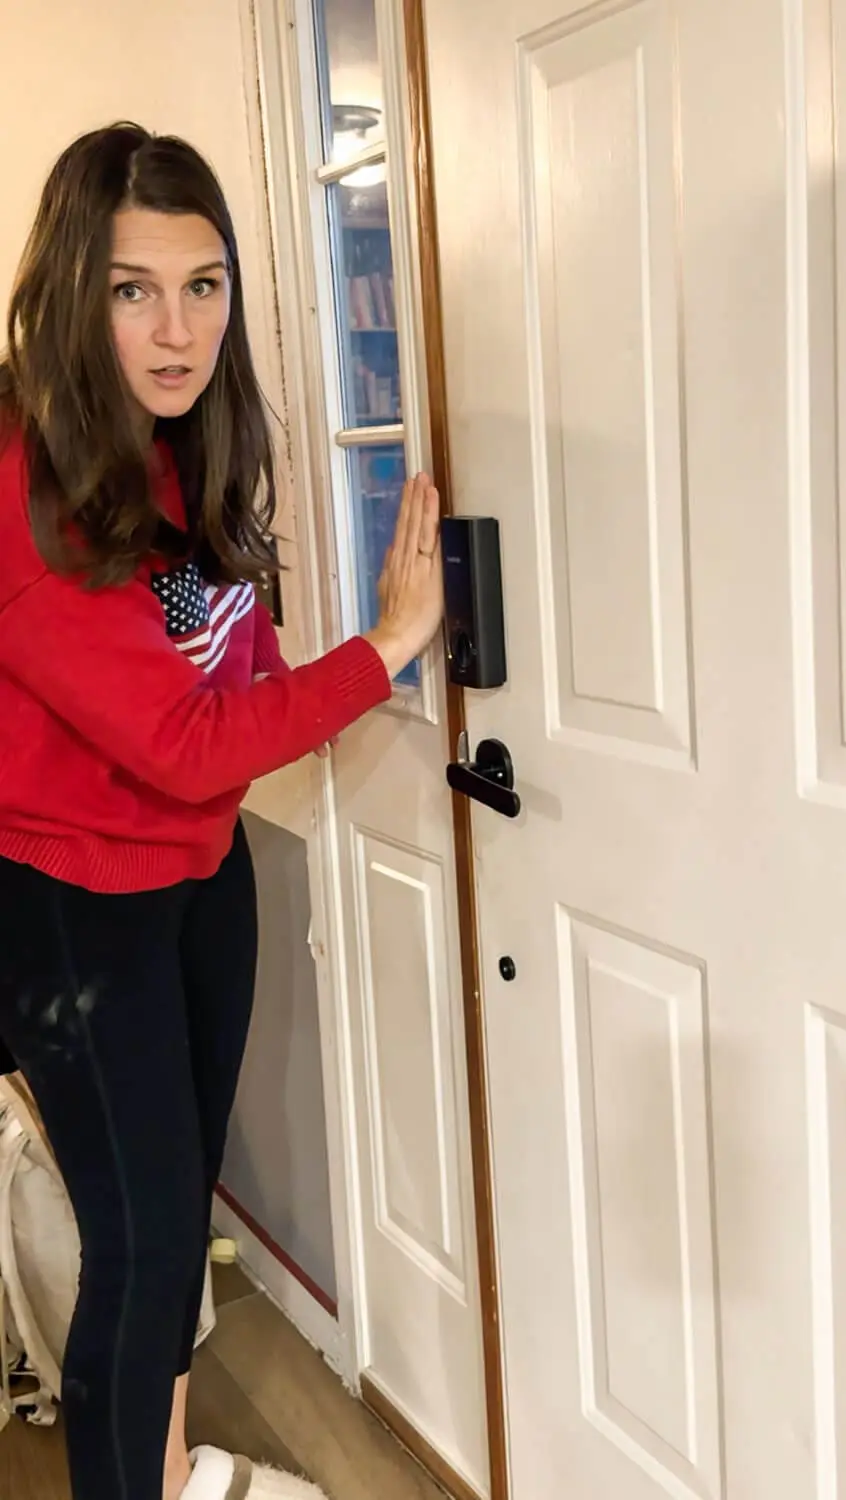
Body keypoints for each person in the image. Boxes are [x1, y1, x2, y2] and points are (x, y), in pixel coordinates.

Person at [0, 122, 443, 1500]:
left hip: (196, 878)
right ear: (75, 288)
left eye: (204, 284)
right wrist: (387, 646)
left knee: (175, 1216)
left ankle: (172, 1466)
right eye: (134, 288)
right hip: (74, 907)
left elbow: (217, 656)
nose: (176, 328)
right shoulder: (22, 478)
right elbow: (191, 742)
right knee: (135, 1259)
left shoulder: (175, 451)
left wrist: (289, 663)